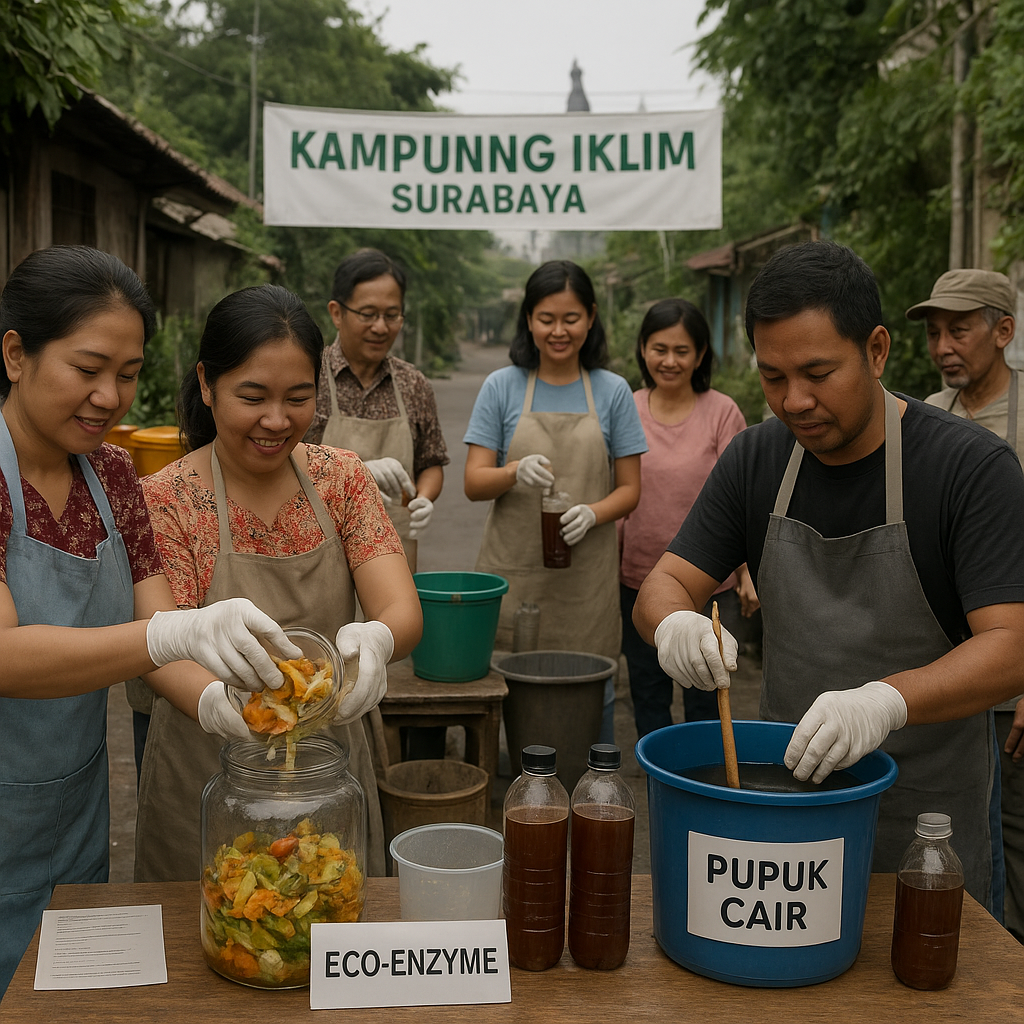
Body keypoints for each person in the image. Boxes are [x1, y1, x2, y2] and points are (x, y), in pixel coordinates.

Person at [634, 240, 1024, 911]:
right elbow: (663, 585)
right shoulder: (756, 459)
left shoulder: (969, 469)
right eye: (773, 376)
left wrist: (884, 701)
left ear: (876, 351)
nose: (795, 401)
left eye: (818, 372)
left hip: (927, 823)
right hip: (791, 808)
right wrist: (672, 623)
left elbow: (1011, 644)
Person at [0, 247, 299, 992]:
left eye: (129, 375)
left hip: (72, 810)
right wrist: (168, 635)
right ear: (16, 354)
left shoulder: (110, 475)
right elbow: (5, 657)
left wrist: (218, 702)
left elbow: (159, 625)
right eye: (88, 368)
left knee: (64, 994)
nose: (110, 397)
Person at [135, 284, 423, 882]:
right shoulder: (165, 499)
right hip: (204, 768)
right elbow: (156, 645)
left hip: (327, 767)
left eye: (298, 398)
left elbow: (399, 606)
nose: (277, 420)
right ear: (207, 384)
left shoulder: (341, 478)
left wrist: (377, 640)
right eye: (253, 396)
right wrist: (216, 702)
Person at [464, 260, 647, 741]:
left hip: (585, 580)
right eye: (546, 318)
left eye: (571, 318)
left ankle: (592, 792)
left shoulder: (612, 392)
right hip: (517, 570)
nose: (559, 331)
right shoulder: (502, 387)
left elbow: (630, 489)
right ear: (528, 319)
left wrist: (593, 512)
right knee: (510, 688)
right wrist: (512, 471)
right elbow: (473, 482)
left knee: (594, 694)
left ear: (590, 317)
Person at [907, 267, 1024, 938]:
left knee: (1015, 841)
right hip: (950, 673)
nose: (943, 345)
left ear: (1002, 331)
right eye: (933, 333)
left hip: (1013, 678)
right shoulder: (930, 418)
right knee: (955, 838)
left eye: (959, 329)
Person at [618, 299, 756, 739]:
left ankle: (702, 781)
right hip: (637, 578)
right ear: (642, 349)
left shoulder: (722, 412)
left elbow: (743, 501)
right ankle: (658, 775)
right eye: (660, 348)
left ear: (700, 355)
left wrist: (747, 571)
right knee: (648, 686)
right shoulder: (627, 408)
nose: (670, 361)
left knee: (708, 687)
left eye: (682, 350)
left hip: (709, 582)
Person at [304, 248, 448, 570]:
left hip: (392, 561)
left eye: (392, 315)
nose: (381, 328)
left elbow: (431, 462)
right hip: (316, 557)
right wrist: (356, 473)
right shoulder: (306, 377)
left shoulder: (414, 385)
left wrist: (424, 496)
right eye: (368, 314)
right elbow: (279, 465)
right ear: (337, 313)